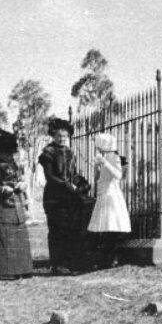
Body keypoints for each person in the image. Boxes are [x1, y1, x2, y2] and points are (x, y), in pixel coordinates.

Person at [0, 129, 33, 279]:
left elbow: (19, 178)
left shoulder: (13, 163)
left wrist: (22, 184)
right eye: (6, 153)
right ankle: (3, 272)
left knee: (19, 237)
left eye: (10, 153)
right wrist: (1, 189)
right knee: (2, 238)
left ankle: (22, 269)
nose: (9, 155)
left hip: (15, 206)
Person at [38, 117, 86, 274]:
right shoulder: (48, 152)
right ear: (53, 135)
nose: (62, 139)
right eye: (59, 136)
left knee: (70, 230)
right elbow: (50, 177)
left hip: (69, 197)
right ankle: (56, 265)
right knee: (56, 230)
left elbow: (72, 174)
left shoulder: (70, 152)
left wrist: (80, 183)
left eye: (65, 136)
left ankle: (70, 263)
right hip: (54, 197)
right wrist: (67, 185)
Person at [87, 133, 131, 267]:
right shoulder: (106, 157)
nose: (98, 149)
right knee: (104, 228)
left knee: (111, 226)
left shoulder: (114, 157)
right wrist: (98, 167)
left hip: (111, 195)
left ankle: (110, 259)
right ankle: (106, 259)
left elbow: (118, 175)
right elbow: (100, 178)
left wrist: (105, 163)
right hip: (104, 193)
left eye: (99, 146)